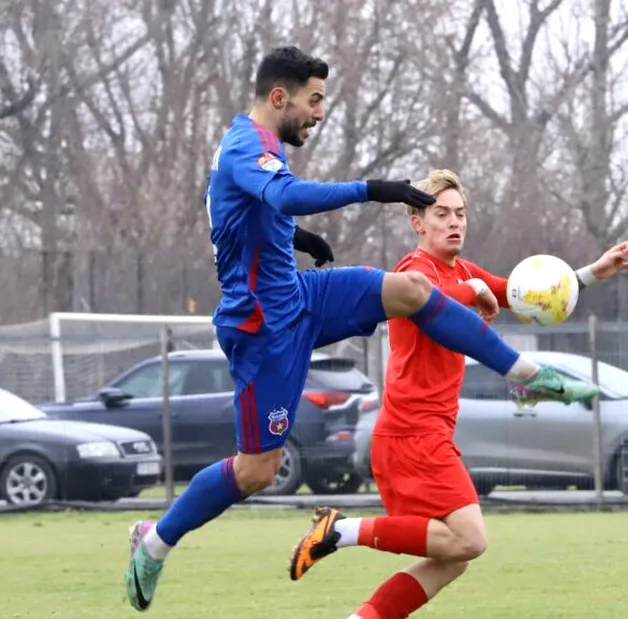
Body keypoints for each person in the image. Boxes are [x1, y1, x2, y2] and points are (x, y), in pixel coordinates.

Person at [124, 48, 599, 612]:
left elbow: (236, 213)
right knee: (258, 469)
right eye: (315, 100)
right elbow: (282, 195)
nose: (320, 113)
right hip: (262, 326)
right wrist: (374, 187)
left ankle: (526, 371)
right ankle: (154, 542)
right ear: (281, 97)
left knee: (410, 292)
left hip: (301, 295)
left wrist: (296, 239)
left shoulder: (258, 146)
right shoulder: (247, 144)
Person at [284, 169, 628, 619]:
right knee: (469, 540)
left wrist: (590, 274)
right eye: (441, 214)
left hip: (422, 435)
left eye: (460, 214)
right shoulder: (412, 272)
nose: (454, 222)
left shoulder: (462, 270)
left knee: (452, 559)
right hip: (411, 435)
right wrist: (472, 290)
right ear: (418, 223)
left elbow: (516, 292)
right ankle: (341, 531)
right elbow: (436, 298)